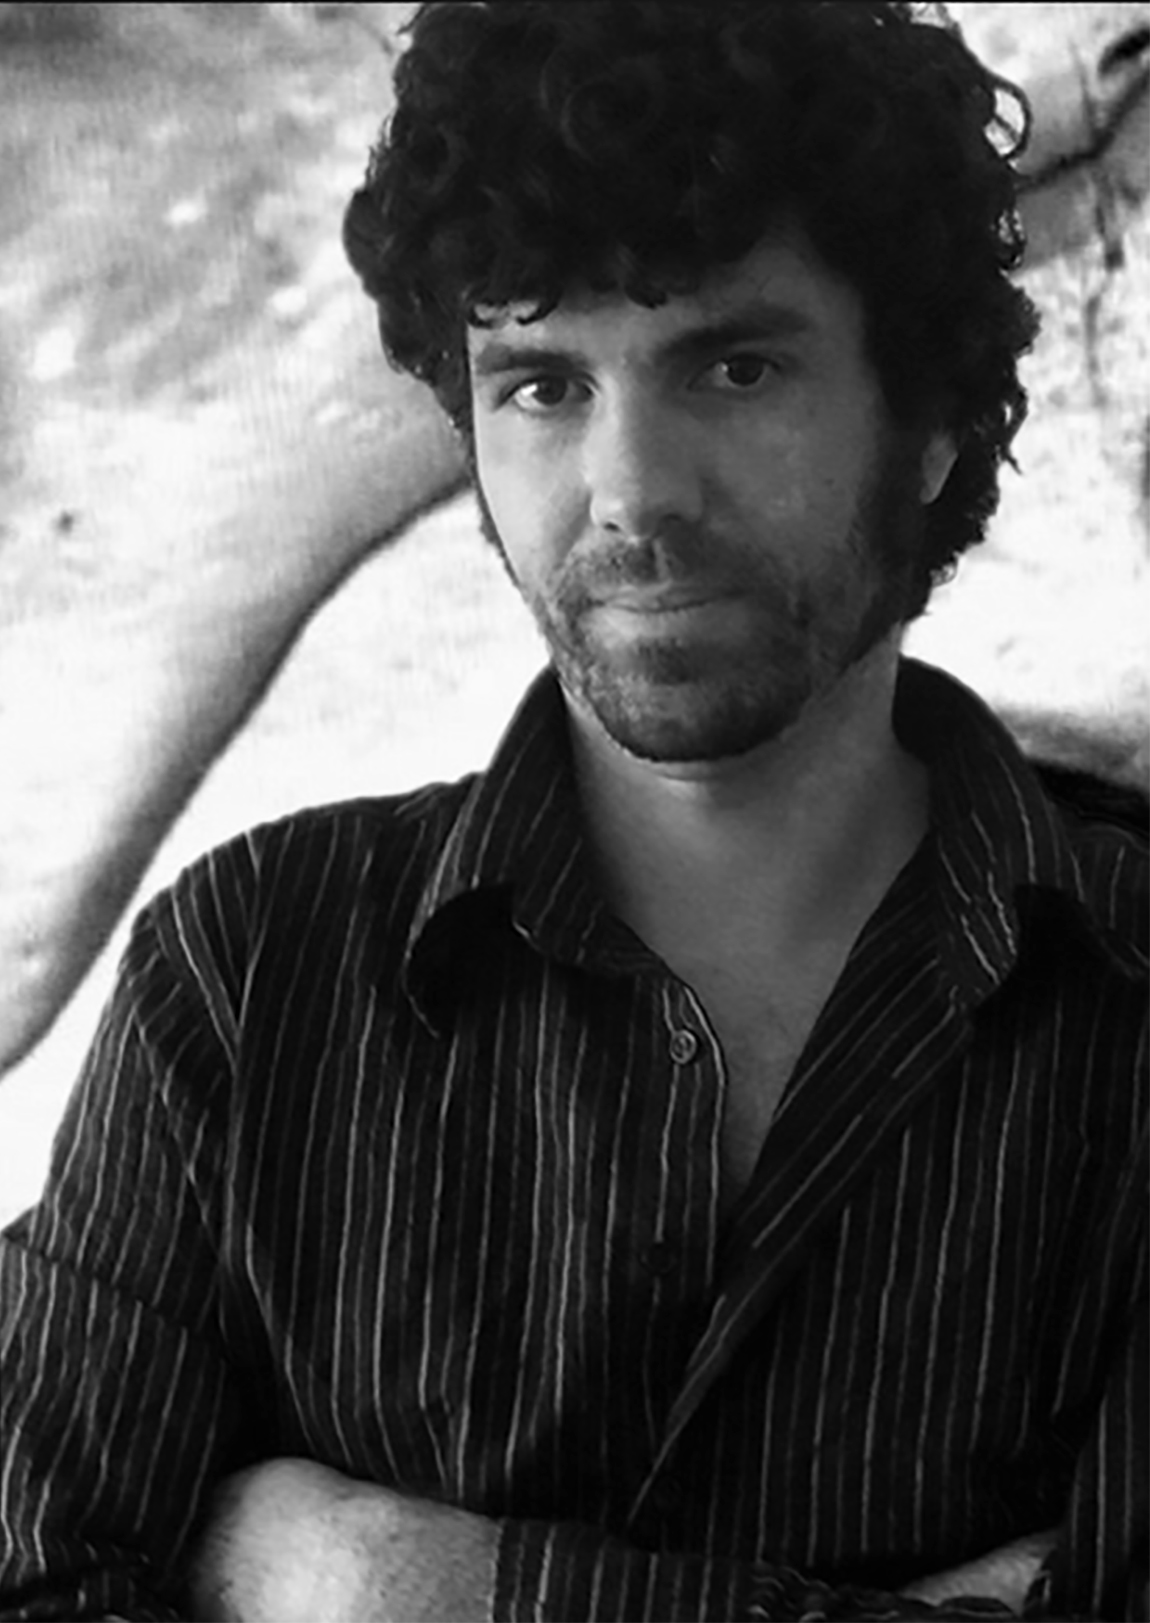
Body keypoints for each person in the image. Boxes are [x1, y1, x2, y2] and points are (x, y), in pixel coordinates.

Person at [1, 2, 1146, 1619]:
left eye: (733, 367)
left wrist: (396, 1585)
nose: (631, 493)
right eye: (541, 385)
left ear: (930, 420)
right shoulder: (248, 971)